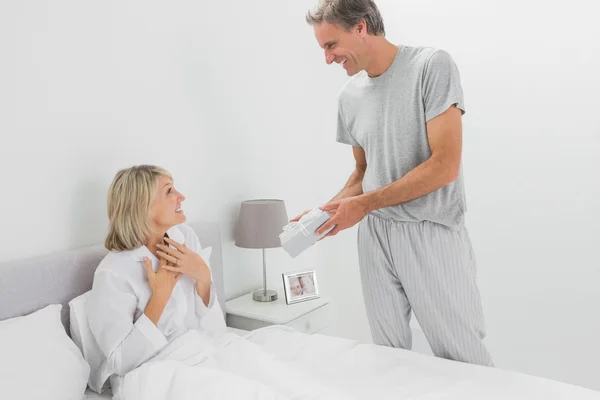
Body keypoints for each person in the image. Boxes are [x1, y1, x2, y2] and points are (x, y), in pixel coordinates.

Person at [294, 0, 493, 367]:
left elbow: (445, 165)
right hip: (376, 234)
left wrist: (366, 204)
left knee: (463, 356)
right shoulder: (348, 97)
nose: (328, 59)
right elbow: (362, 172)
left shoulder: (431, 67)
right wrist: (326, 213)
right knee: (388, 356)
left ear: (361, 27)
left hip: (430, 229)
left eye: (330, 45)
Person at [85, 165, 227, 395]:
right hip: (154, 377)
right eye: (169, 191)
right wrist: (159, 297)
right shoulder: (112, 273)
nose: (181, 196)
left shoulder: (185, 238)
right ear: (142, 205)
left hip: (202, 354)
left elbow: (208, 322)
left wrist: (203, 274)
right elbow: (121, 362)